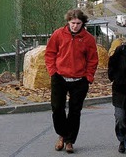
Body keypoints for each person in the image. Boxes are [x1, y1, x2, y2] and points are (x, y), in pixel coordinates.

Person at [45, 9, 99, 154]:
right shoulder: (58, 34)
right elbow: (50, 53)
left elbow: (93, 59)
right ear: (68, 22)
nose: (75, 26)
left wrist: (89, 77)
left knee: (75, 111)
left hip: (79, 80)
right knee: (57, 108)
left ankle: (70, 141)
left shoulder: (88, 39)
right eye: (72, 23)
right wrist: (53, 71)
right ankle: (62, 135)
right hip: (60, 77)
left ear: (83, 23)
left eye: (78, 23)